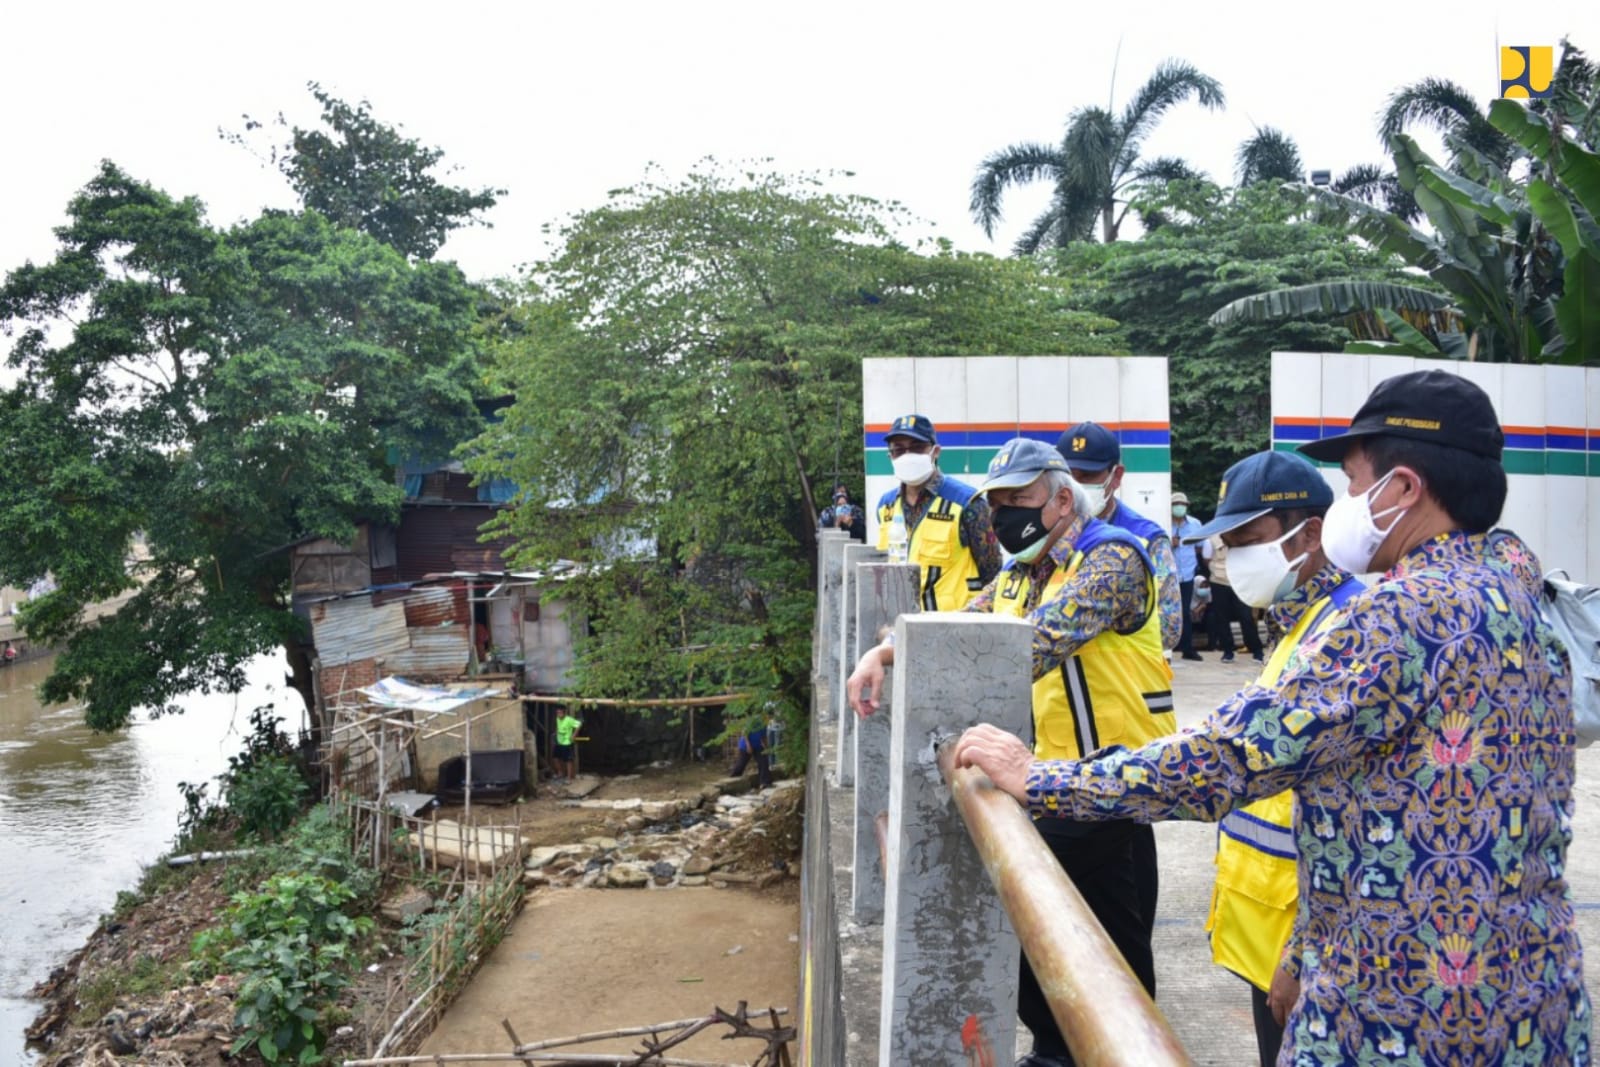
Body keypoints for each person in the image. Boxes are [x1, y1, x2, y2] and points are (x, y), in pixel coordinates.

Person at [954, 370, 1589, 1066]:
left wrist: (1038, 778)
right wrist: (1308, 942)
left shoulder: (1399, 615)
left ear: (1403, 489)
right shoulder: (1522, 596)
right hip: (1535, 1008)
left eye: (1353, 482)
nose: (1348, 501)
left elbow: (1227, 757)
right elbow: (1405, 816)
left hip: (1401, 1018)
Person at [851, 438, 1173, 1067]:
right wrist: (883, 652)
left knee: (1102, 950)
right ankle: (1056, 1048)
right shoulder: (1022, 571)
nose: (1003, 517)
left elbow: (1033, 643)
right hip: (1043, 782)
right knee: (1046, 934)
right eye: (995, 503)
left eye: (1018, 501)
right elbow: (964, 624)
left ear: (1059, 499)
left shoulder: (1109, 560)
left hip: (1110, 780)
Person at [1179, 451, 1358, 1067]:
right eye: (1227, 542)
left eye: (1247, 539)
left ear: (1310, 534)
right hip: (1265, 924)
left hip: (1300, 944)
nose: (1233, 556)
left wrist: (1305, 952)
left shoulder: (1349, 629)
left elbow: (1357, 825)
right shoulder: (1297, 623)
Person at [1056, 422, 1182, 651]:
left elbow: (1169, 629)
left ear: (1116, 476)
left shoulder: (1146, 539)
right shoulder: (1048, 536)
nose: (1077, 487)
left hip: (1124, 681)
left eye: (1088, 476)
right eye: (1068, 477)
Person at [875, 414, 1001, 611]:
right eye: (899, 449)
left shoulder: (967, 504)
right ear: (890, 456)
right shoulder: (886, 506)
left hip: (956, 628)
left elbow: (992, 572)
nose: (907, 456)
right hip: (903, 625)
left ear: (935, 451)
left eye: (917, 447)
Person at [1201, 535, 1266, 663]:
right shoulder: (1211, 540)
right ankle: (1227, 652)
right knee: (1222, 618)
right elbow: (1206, 559)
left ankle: (1257, 651)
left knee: (1246, 617)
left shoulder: (1244, 534)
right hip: (1219, 582)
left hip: (1240, 580)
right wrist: (1218, 570)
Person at [1169, 492, 1204, 661]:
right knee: (1169, 611)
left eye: (1182, 504)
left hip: (1188, 574)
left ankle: (1187, 648)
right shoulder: (1164, 523)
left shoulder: (1195, 524)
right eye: (1176, 504)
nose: (1179, 507)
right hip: (1169, 576)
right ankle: (1170, 647)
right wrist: (1171, 544)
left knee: (1186, 611)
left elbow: (1199, 547)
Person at [728, 713, 774, 788]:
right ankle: (733, 778)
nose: (769, 720)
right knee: (741, 763)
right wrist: (748, 746)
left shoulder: (765, 724)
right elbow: (745, 732)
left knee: (763, 761)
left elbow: (764, 737)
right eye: (769, 717)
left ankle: (765, 782)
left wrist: (767, 748)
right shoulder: (755, 720)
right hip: (746, 744)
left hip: (757, 745)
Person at [551, 706, 582, 781]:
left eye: (560, 713)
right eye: (557, 713)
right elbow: (558, 727)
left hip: (567, 743)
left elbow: (579, 724)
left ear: (564, 713)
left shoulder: (569, 719)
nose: (559, 714)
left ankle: (569, 778)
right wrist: (556, 732)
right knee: (555, 758)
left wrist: (574, 735)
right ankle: (560, 773)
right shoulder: (557, 719)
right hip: (559, 742)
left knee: (568, 761)